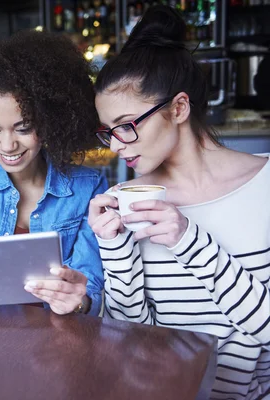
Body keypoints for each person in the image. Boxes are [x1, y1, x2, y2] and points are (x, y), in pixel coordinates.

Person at [87, 6, 270, 399]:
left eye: (126, 126)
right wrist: (115, 249)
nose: (116, 145)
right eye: (109, 132)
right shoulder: (125, 203)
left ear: (179, 108)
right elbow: (132, 343)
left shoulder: (265, 185)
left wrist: (190, 241)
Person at [0, 30, 106, 316]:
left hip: (62, 343)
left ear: (51, 122)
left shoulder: (89, 188)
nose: (7, 145)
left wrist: (78, 301)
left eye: (24, 128)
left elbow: (89, 292)